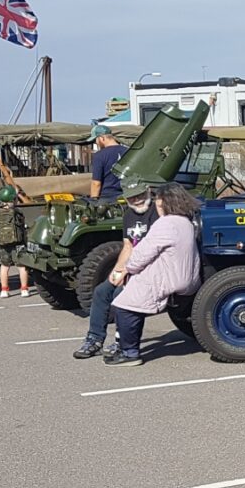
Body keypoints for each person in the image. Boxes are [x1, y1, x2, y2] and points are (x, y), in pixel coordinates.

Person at [107, 182, 200, 366]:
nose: (157, 207)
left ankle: (129, 352)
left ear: (165, 203)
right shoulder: (186, 222)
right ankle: (128, 348)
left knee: (125, 306)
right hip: (188, 278)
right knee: (134, 302)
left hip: (169, 280)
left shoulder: (165, 224)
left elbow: (142, 252)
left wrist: (128, 269)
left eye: (159, 203)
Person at [71, 180, 158, 359]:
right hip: (132, 265)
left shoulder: (156, 212)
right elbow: (128, 246)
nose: (138, 200)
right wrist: (116, 272)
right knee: (102, 291)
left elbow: (154, 248)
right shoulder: (129, 215)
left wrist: (129, 272)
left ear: (148, 191)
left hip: (151, 267)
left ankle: (122, 342)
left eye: (140, 195)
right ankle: (94, 339)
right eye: (132, 197)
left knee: (121, 295)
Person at [87, 125, 127, 200]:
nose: (96, 143)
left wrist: (94, 201)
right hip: (128, 197)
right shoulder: (128, 151)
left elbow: (96, 183)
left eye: (96, 140)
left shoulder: (100, 155)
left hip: (108, 200)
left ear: (101, 138)